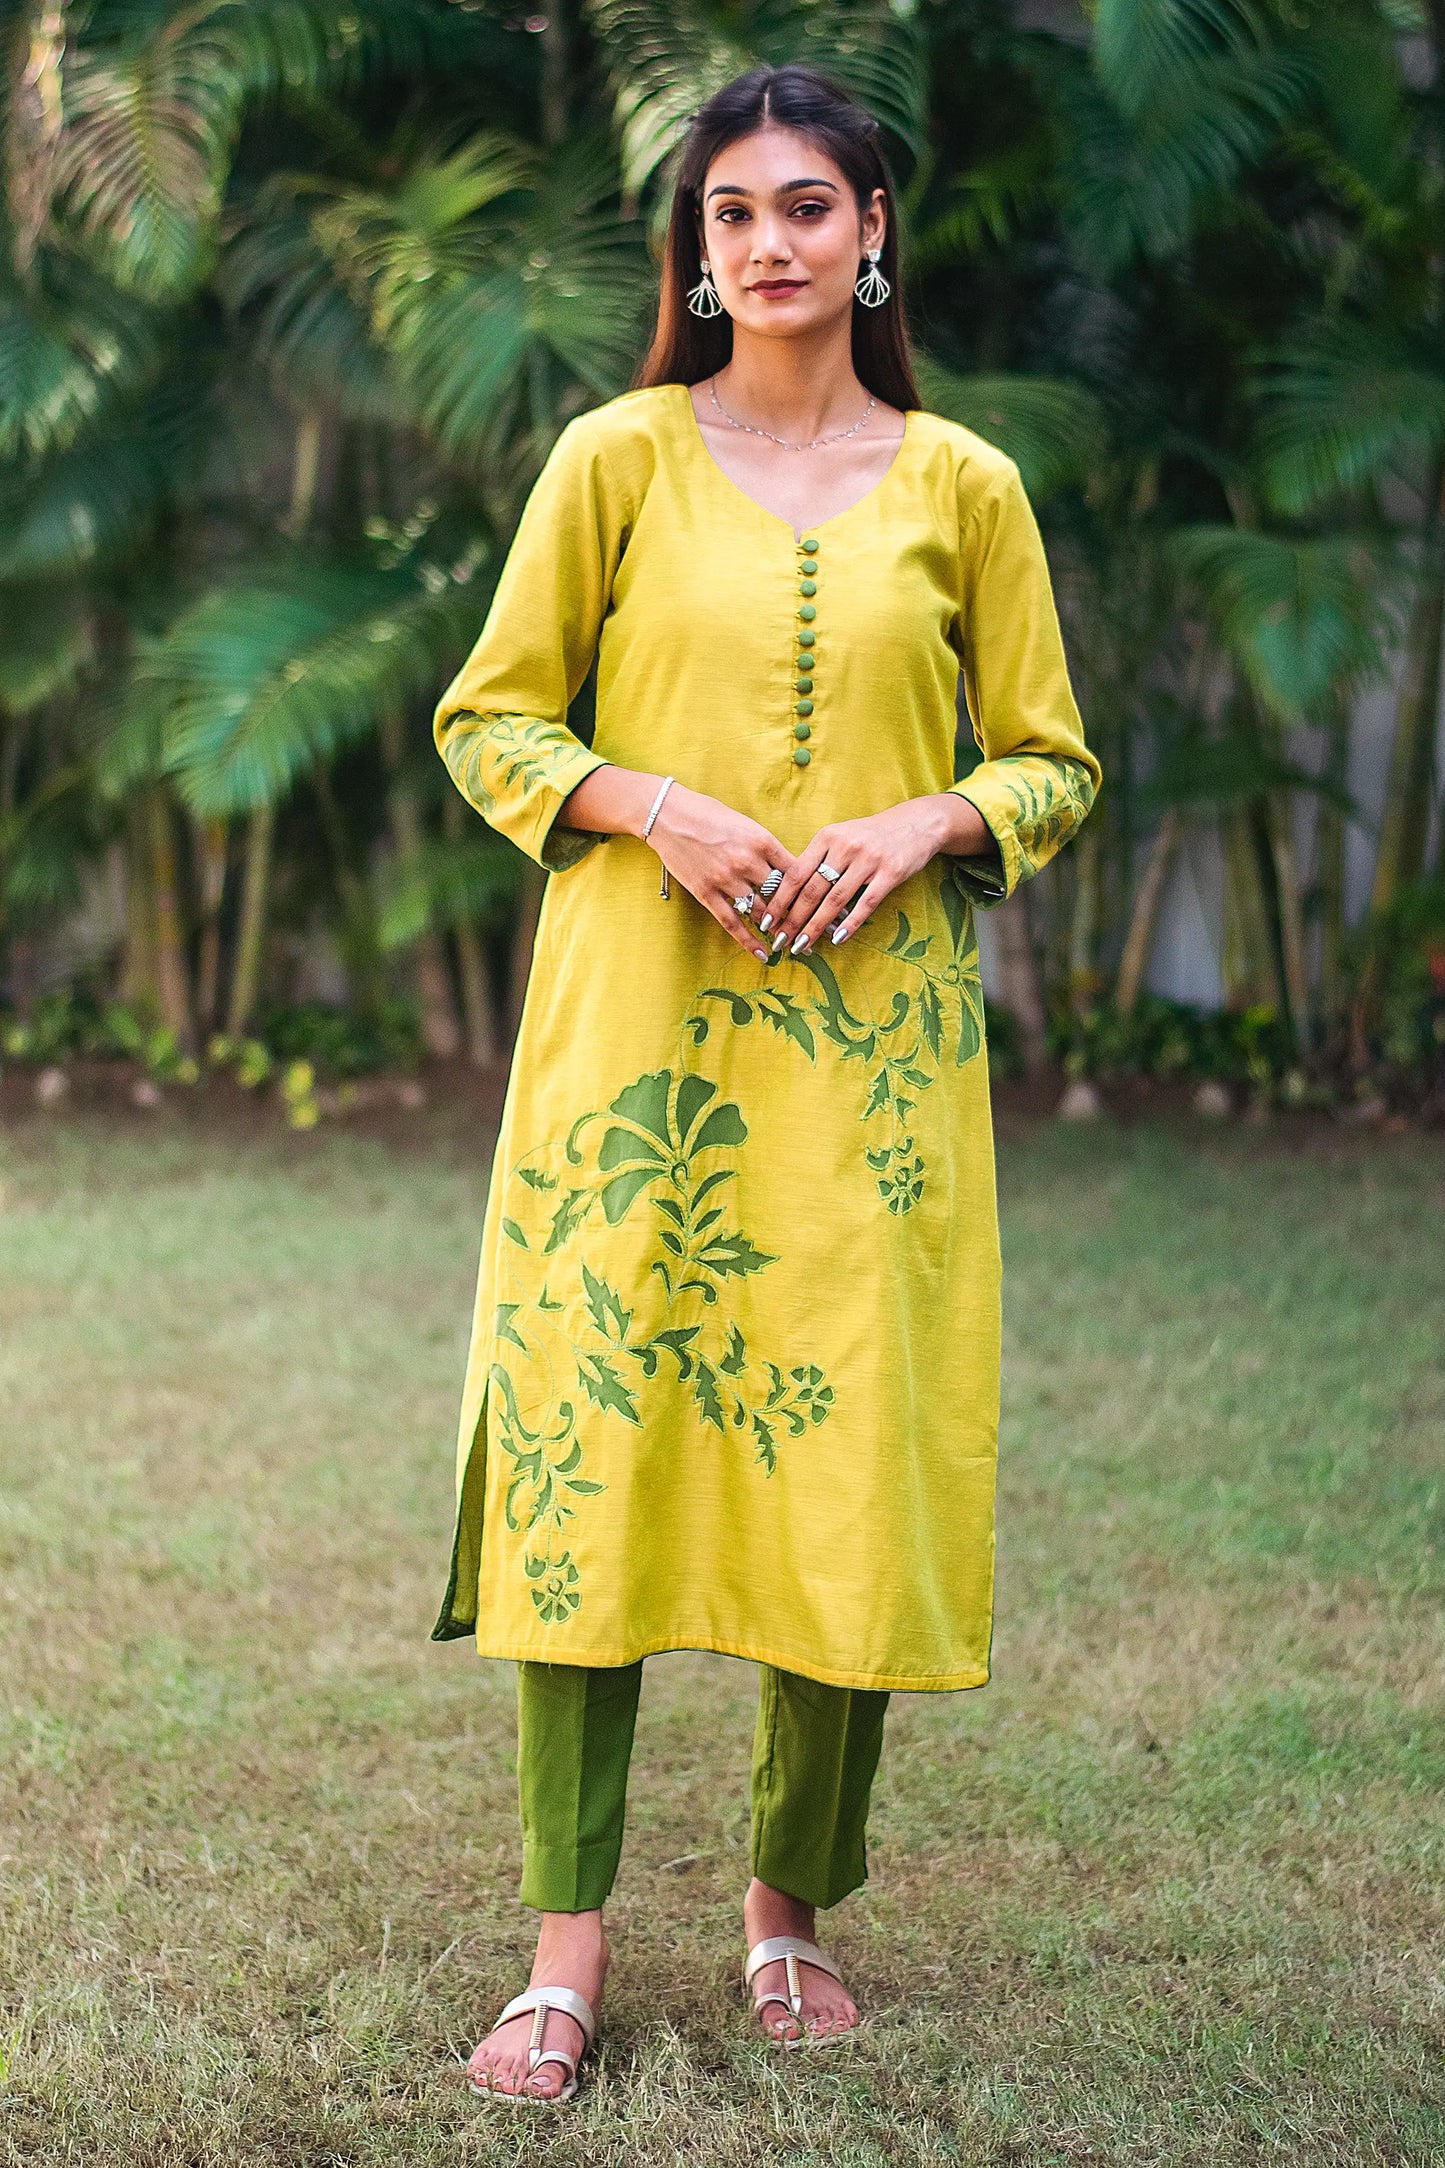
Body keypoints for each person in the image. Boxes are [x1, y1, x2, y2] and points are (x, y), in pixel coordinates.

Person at [430, 61, 1101, 2105]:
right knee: (592, 1468)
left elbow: (1053, 762)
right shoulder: (614, 461)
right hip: (635, 1057)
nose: (772, 240)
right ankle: (562, 1955)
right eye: (733, 213)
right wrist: (654, 806)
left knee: (841, 1479)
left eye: (809, 203)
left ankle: (788, 1916)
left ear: (874, 231)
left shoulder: (963, 484)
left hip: (871, 1080)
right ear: (698, 256)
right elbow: (492, 719)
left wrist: (921, 827)